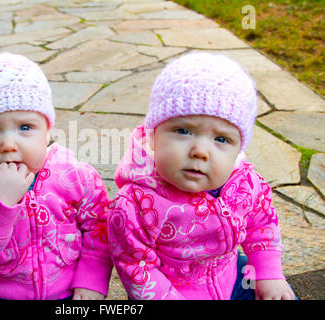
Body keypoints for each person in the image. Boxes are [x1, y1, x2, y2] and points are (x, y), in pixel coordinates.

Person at [108, 52, 296, 300]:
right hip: (173, 291)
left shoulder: (244, 182)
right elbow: (136, 266)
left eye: (221, 139)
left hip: (233, 277)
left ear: (238, 148)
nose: (200, 151)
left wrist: (268, 273)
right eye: (183, 131)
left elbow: (262, 223)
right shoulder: (135, 205)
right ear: (153, 136)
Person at [0, 52, 112, 300]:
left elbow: (99, 230)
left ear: (46, 130)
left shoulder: (74, 176)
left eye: (25, 127)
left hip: (66, 293)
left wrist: (91, 281)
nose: (9, 144)